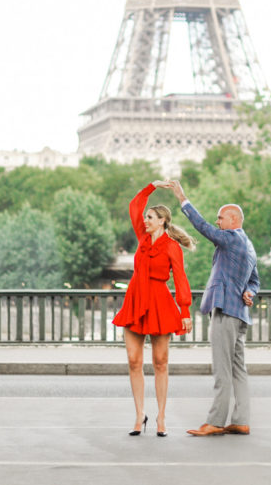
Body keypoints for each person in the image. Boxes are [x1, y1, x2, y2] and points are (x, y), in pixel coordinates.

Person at [157, 179, 260, 437]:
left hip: (225, 311)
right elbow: (255, 281)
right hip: (240, 314)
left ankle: (215, 421)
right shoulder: (248, 245)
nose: (217, 222)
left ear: (233, 220)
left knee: (222, 369)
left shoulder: (231, 239)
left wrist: (183, 199)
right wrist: (250, 292)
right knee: (238, 369)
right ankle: (241, 420)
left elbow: (202, 227)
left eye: (221, 218)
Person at [111, 181, 195, 437]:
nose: (145, 220)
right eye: (146, 217)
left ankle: (161, 417)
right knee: (134, 361)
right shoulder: (142, 238)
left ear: (162, 221)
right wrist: (151, 186)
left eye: (150, 217)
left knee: (160, 362)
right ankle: (139, 415)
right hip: (135, 300)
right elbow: (134, 205)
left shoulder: (171, 247)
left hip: (159, 302)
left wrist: (185, 310)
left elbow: (180, 278)